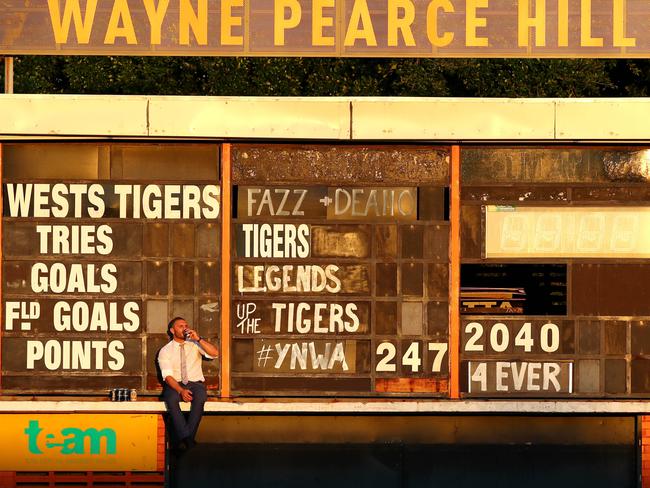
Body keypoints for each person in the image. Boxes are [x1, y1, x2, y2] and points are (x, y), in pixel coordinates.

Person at [158, 316, 218, 452]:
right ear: (172, 331)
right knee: (171, 398)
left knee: (200, 397)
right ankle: (188, 440)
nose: (185, 328)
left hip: (195, 382)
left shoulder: (195, 344)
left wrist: (198, 339)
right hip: (175, 383)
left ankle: (185, 438)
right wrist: (180, 391)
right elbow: (167, 376)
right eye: (181, 326)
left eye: (186, 325)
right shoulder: (165, 351)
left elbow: (215, 353)